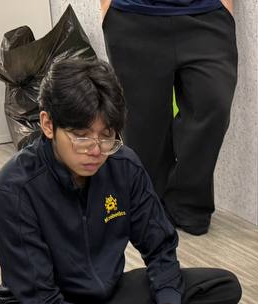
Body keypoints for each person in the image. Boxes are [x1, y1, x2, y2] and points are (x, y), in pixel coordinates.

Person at [0, 57, 242, 304]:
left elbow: (160, 246)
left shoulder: (124, 165)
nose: (96, 151)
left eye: (106, 136)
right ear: (48, 124)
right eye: (80, 136)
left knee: (222, 288)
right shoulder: (13, 191)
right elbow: (42, 303)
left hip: (110, 295)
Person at [101, 0, 237, 235]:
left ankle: (188, 203)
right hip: (133, 16)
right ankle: (151, 205)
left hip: (206, 14)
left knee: (214, 104)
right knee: (144, 125)